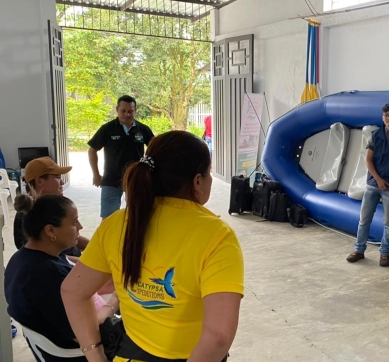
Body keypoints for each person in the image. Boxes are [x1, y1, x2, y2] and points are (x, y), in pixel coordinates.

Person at [62, 131, 244, 362]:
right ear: (197, 181)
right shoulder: (217, 236)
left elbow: (72, 291)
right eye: (208, 174)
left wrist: (94, 354)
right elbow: (218, 337)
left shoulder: (116, 223)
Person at [4, 195, 119, 362]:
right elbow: (88, 332)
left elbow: (80, 266)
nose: (80, 226)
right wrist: (115, 300)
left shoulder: (25, 257)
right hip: (79, 350)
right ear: (50, 231)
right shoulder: (47, 277)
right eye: (74, 222)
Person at [346, 103, 389, 267]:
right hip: (373, 184)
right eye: (386, 115)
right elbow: (368, 160)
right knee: (364, 220)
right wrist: (377, 179)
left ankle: (385, 253)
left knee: (388, 223)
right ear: (382, 117)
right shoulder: (376, 135)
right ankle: (359, 250)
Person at [88, 95, 154, 219]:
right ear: (117, 109)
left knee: (138, 216)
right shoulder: (107, 129)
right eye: (123, 111)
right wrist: (96, 175)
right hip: (111, 179)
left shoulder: (143, 130)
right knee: (108, 218)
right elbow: (92, 151)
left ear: (135, 110)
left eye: (130, 111)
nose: (127, 114)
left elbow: (155, 148)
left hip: (135, 179)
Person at [15, 156, 89, 260]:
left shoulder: (54, 205)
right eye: (57, 177)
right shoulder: (28, 214)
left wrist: (97, 248)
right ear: (40, 181)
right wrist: (85, 264)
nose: (62, 182)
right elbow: (40, 257)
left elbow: (74, 235)